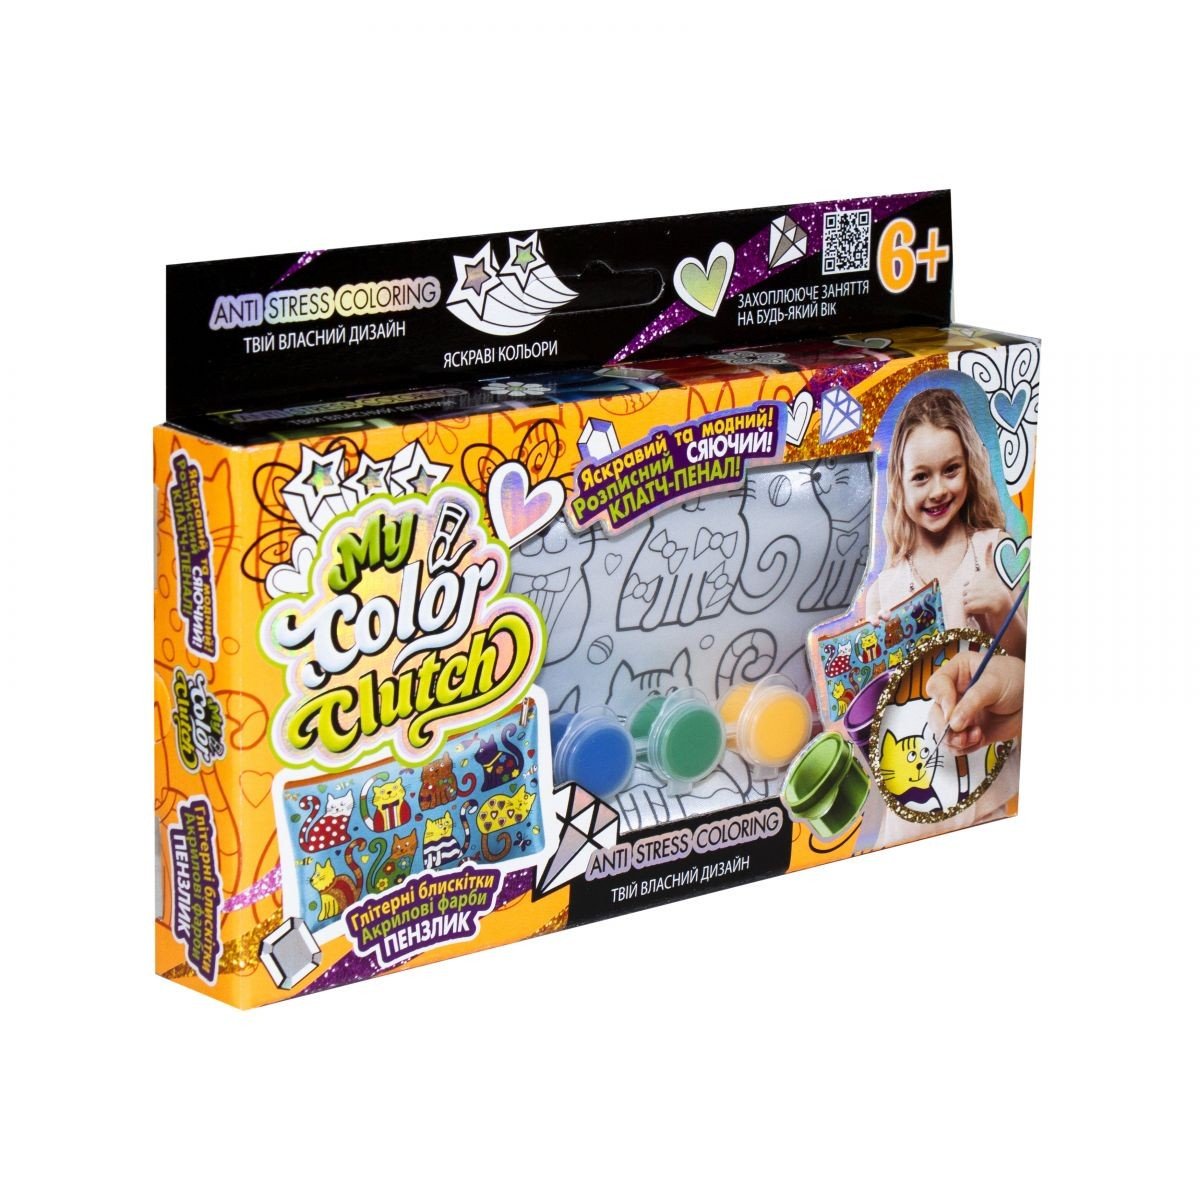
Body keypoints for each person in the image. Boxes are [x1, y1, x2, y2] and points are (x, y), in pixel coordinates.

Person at [864, 388, 1026, 657]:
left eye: (951, 470)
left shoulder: (993, 549)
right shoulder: (883, 591)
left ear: (969, 467)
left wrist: (1002, 609)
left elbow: (1024, 663)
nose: (938, 491)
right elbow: (878, 679)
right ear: (899, 482)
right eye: (921, 477)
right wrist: (874, 654)